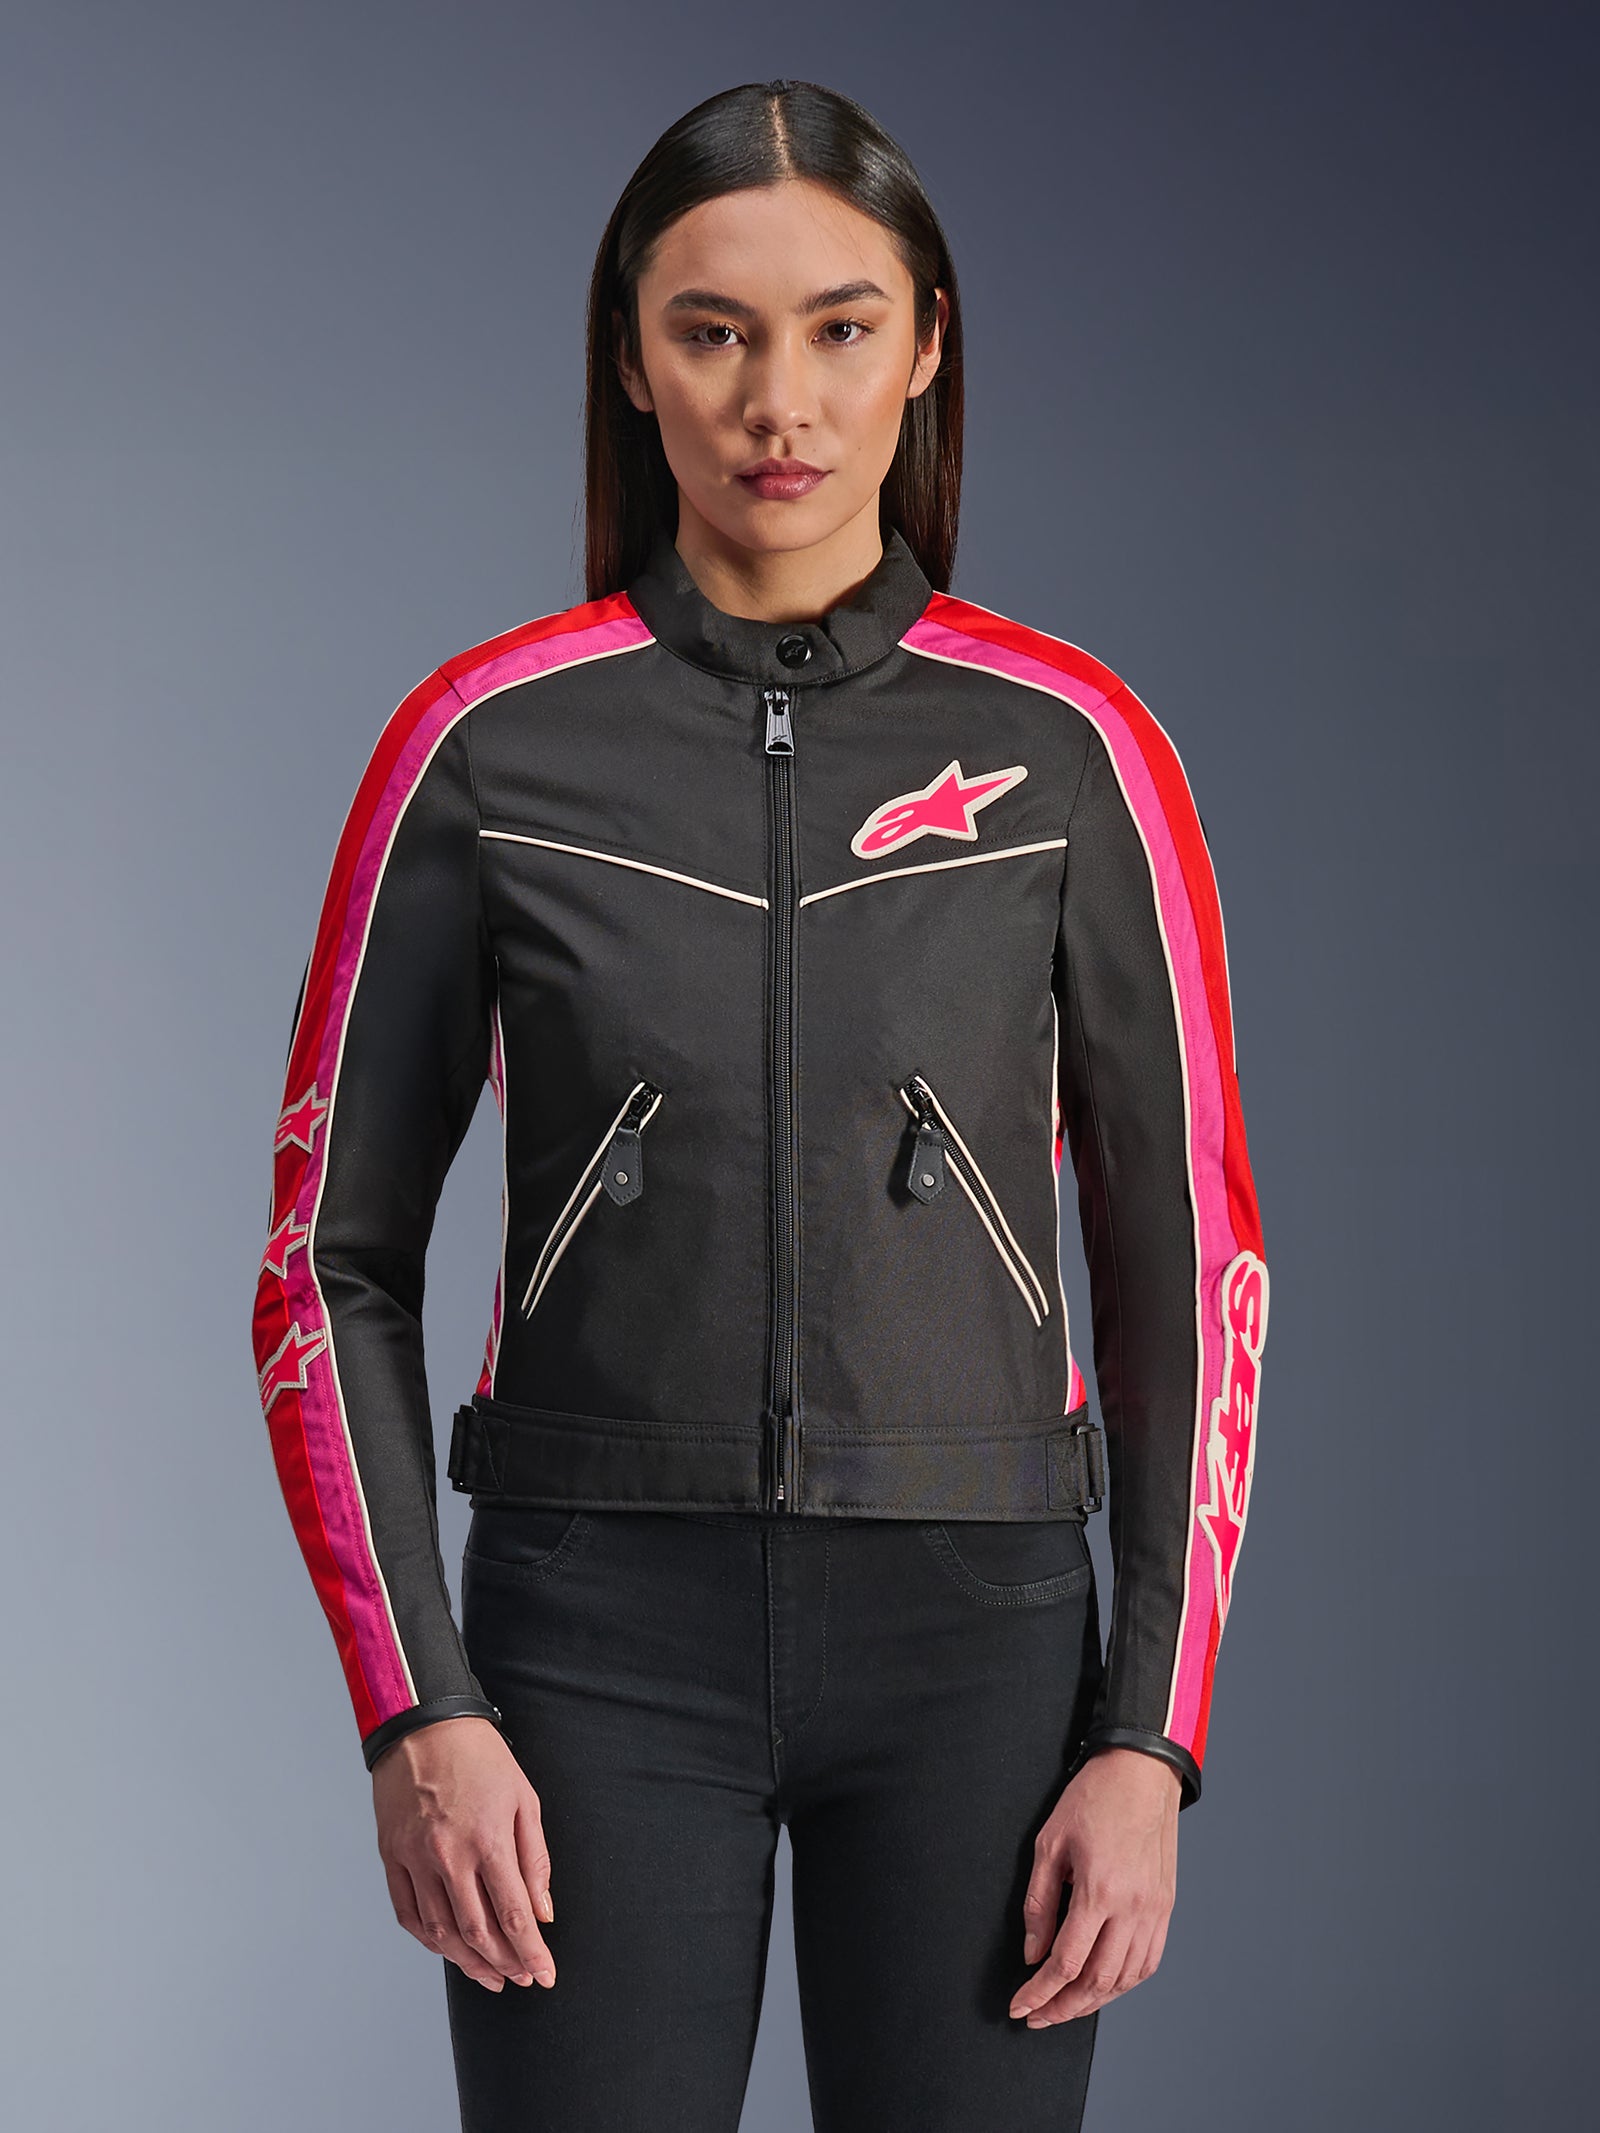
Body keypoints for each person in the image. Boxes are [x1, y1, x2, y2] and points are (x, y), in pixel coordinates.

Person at [251, 76, 1268, 2133]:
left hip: (978, 1647)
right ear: (632, 358)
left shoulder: (1073, 749)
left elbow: (1192, 1270)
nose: (776, 400)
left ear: (926, 346)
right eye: (711, 331)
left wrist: (1147, 1738)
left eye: (838, 326)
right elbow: (323, 1264)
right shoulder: (484, 748)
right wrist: (417, 1701)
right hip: (589, 1643)